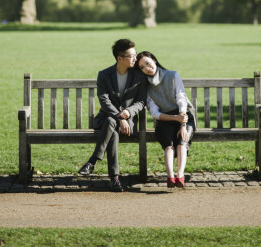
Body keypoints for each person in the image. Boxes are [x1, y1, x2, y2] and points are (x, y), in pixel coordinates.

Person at [78, 38, 146, 192]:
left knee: (112, 128)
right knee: (109, 121)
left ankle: (94, 162)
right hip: (105, 119)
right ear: (119, 58)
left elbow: (141, 101)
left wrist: (127, 113)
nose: (135, 59)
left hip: (127, 122)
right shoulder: (104, 75)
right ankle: (113, 177)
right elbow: (104, 101)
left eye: (135, 55)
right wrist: (120, 117)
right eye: (131, 56)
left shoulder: (139, 76)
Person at [135, 51, 195, 189]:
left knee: (181, 143)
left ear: (154, 60)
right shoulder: (146, 86)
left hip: (183, 115)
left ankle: (180, 175)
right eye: (142, 67)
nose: (147, 68)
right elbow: (155, 113)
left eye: (148, 63)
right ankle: (170, 177)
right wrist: (174, 118)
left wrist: (182, 124)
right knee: (169, 145)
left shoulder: (172, 75)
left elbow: (181, 99)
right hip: (164, 119)